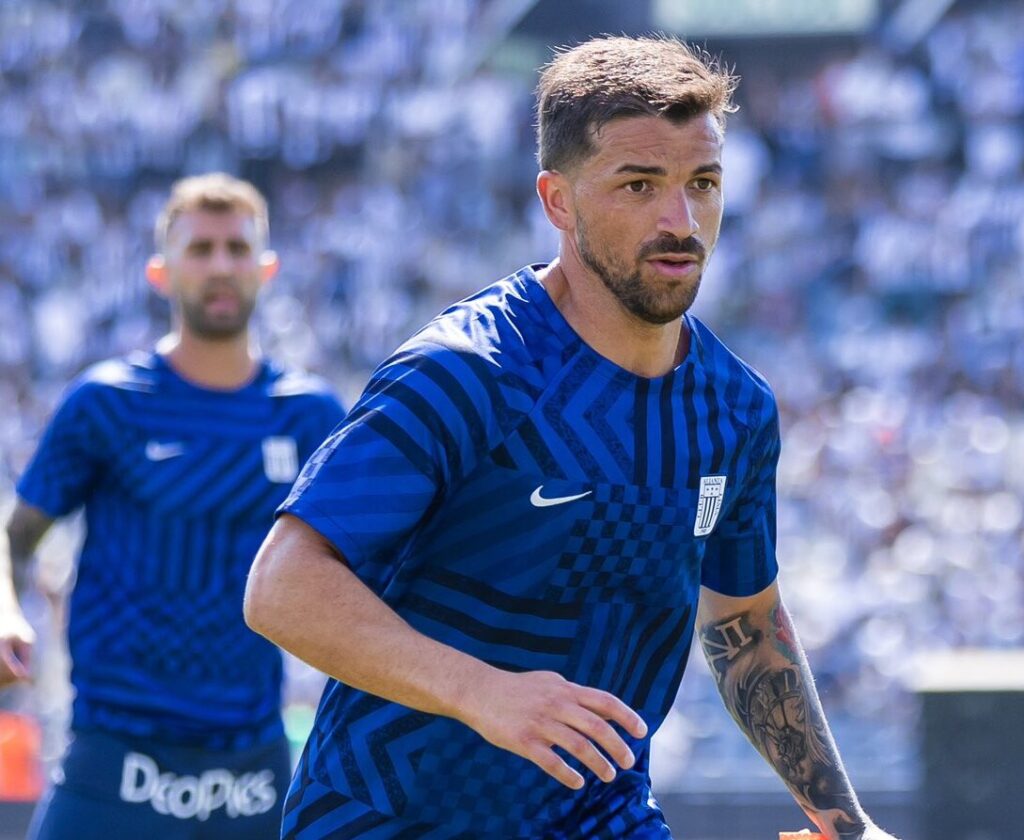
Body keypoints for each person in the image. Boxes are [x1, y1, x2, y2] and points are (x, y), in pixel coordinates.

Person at [245, 36, 899, 840]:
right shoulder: (470, 370)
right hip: (388, 821)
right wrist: (484, 691)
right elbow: (282, 586)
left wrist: (845, 821)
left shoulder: (737, 410)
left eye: (703, 183)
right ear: (558, 201)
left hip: (601, 820)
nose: (680, 220)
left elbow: (747, 627)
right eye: (639, 185)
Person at [0, 173, 346, 839]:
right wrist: (6, 611)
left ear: (266, 268)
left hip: (251, 765)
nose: (220, 265)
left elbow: (376, 562)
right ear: (161, 272)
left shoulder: (310, 414)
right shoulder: (105, 403)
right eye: (201, 248)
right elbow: (15, 539)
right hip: (115, 758)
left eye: (237, 248)